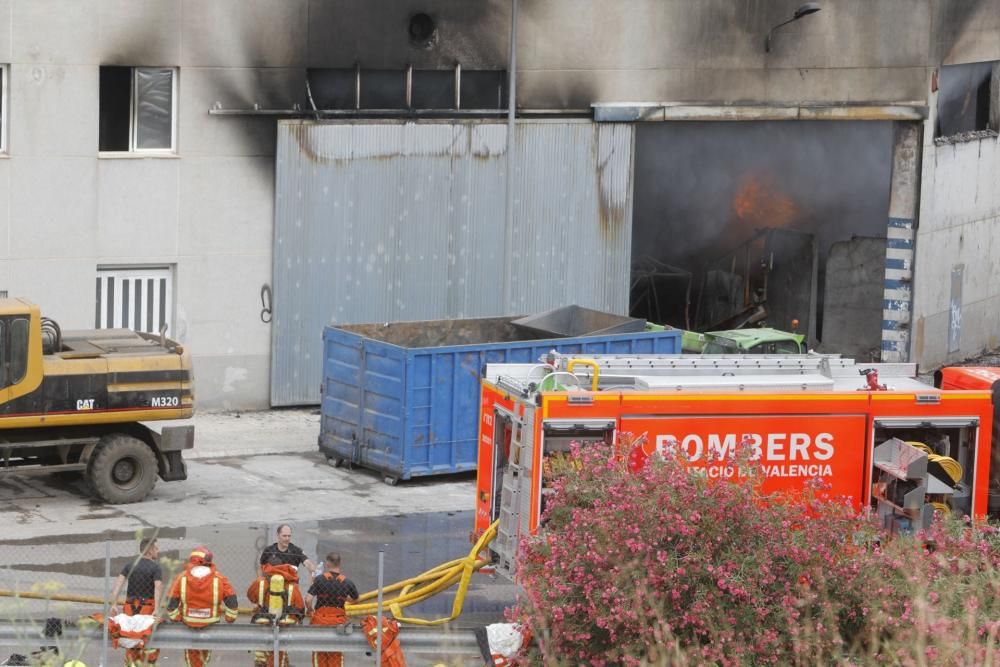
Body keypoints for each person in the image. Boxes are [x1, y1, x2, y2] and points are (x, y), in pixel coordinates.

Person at [165, 547, 238, 667]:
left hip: (188, 623)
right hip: (210, 624)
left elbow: (171, 601)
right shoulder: (219, 578)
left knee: (191, 654)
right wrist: (230, 618)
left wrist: (176, 618)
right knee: (205, 655)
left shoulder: (181, 577)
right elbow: (232, 600)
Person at [108, 538, 162, 667]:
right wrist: (157, 607)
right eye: (156, 548)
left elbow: (118, 584)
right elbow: (158, 586)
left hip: (130, 608)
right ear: (149, 550)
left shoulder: (129, 565)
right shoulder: (155, 568)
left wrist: (114, 603)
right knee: (146, 639)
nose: (158, 551)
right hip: (146, 608)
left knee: (130, 637)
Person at [247, 555, 306, 667]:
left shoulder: (260, 582)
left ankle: (261, 663)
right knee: (279, 653)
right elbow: (300, 608)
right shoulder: (291, 586)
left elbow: (251, 597)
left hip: (262, 622)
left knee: (261, 653)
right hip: (283, 624)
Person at [305, 552, 359, 667]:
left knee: (319, 652)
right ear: (340, 563)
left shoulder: (320, 580)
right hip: (338, 622)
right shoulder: (347, 582)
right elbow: (355, 599)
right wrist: (344, 598)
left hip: (320, 621)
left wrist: (310, 610)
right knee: (336, 652)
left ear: (328, 563)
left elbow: (308, 599)